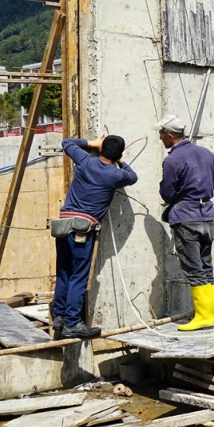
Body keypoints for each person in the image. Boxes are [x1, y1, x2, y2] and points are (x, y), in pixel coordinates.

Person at [53, 134, 137, 340]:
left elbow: (67, 143)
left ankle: (59, 317)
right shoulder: (115, 175)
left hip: (63, 225)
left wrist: (91, 143)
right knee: (78, 276)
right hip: (82, 229)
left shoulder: (84, 161)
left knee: (64, 272)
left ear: (100, 150)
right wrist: (121, 161)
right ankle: (72, 323)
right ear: (119, 155)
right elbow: (133, 176)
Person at [158, 116, 214, 331]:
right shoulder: (206, 153)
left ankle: (203, 317)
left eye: (161, 135)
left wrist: (178, 199)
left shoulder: (172, 160)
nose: (160, 138)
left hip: (186, 217)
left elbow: (167, 191)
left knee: (194, 268)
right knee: (206, 266)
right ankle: (209, 315)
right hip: (207, 215)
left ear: (170, 135)